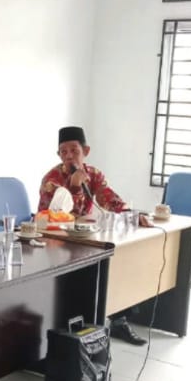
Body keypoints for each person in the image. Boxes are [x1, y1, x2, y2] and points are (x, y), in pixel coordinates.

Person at [38, 126, 151, 345]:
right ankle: (76, 325)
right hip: (56, 240)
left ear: (86, 151)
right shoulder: (51, 179)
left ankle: (118, 321)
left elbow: (108, 198)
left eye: (74, 150)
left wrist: (130, 215)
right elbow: (55, 215)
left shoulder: (94, 175)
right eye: (64, 152)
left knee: (119, 261)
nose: (69, 156)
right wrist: (74, 186)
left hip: (85, 237)